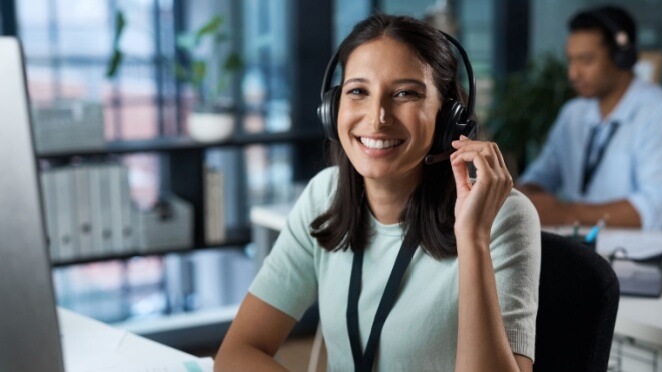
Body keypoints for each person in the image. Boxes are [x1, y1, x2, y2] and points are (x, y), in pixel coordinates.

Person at [214, 14, 540, 371]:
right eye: (358, 91)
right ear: (332, 109)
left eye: (405, 94)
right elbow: (237, 352)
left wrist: (473, 236)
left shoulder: (503, 216)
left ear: (448, 118)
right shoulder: (325, 194)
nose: (377, 117)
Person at [517, 5, 662, 231]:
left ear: (622, 57)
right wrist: (520, 194)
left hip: (643, 258)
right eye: (571, 60)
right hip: (582, 248)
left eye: (586, 60)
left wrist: (564, 213)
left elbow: (657, 209)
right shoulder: (573, 113)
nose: (573, 73)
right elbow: (540, 177)